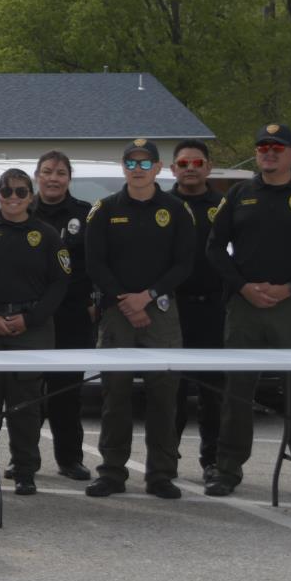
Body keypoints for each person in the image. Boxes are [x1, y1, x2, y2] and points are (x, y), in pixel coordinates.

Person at [206, 122, 291, 500]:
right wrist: (243, 287)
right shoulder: (238, 194)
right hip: (246, 306)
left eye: (278, 147)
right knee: (237, 391)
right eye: (263, 146)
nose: (269, 152)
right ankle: (228, 469)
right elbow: (215, 249)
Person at [83, 139, 196, 500]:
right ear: (123, 167)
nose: (137, 169)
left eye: (145, 163)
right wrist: (126, 301)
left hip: (161, 312)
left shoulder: (176, 210)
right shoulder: (105, 209)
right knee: (115, 396)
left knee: (163, 397)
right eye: (131, 163)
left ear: (159, 169)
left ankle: (161, 474)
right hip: (117, 314)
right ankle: (112, 472)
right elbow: (95, 263)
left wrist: (147, 297)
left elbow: (183, 264)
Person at [0, 167, 69, 495]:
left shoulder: (47, 236)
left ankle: (24, 471)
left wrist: (30, 319)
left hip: (30, 328)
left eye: (21, 191)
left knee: (26, 406)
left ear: (30, 196)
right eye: (7, 191)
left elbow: (59, 284)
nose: (13, 197)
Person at [32, 150, 95, 480]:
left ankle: (70, 459)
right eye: (47, 171)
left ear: (69, 178)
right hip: (30, 319)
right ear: (37, 176)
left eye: (60, 172)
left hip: (71, 316)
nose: (53, 178)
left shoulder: (84, 215)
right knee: (28, 393)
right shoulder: (22, 212)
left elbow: (93, 265)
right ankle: (24, 459)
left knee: (67, 393)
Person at [170, 139, 227, 481]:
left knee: (213, 392)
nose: (190, 169)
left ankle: (213, 461)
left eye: (196, 163)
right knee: (169, 392)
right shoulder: (162, 204)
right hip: (171, 310)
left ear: (208, 166)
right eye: (183, 163)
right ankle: (166, 459)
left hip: (213, 309)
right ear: (173, 168)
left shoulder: (224, 205)